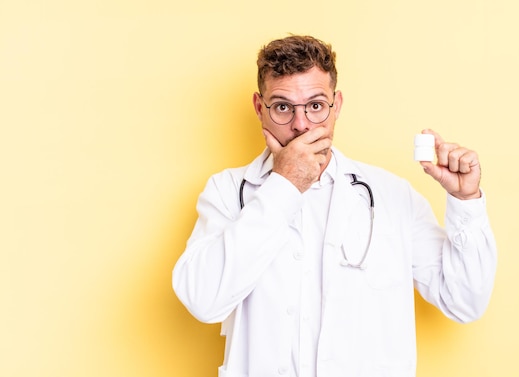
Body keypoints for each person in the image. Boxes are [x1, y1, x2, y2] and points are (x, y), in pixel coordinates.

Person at [172, 35, 497, 377]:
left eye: (315, 106)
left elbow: (465, 301)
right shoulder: (226, 191)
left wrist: (466, 203)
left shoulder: (392, 196)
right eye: (283, 106)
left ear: (336, 105)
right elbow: (203, 301)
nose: (301, 125)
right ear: (259, 107)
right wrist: (284, 185)